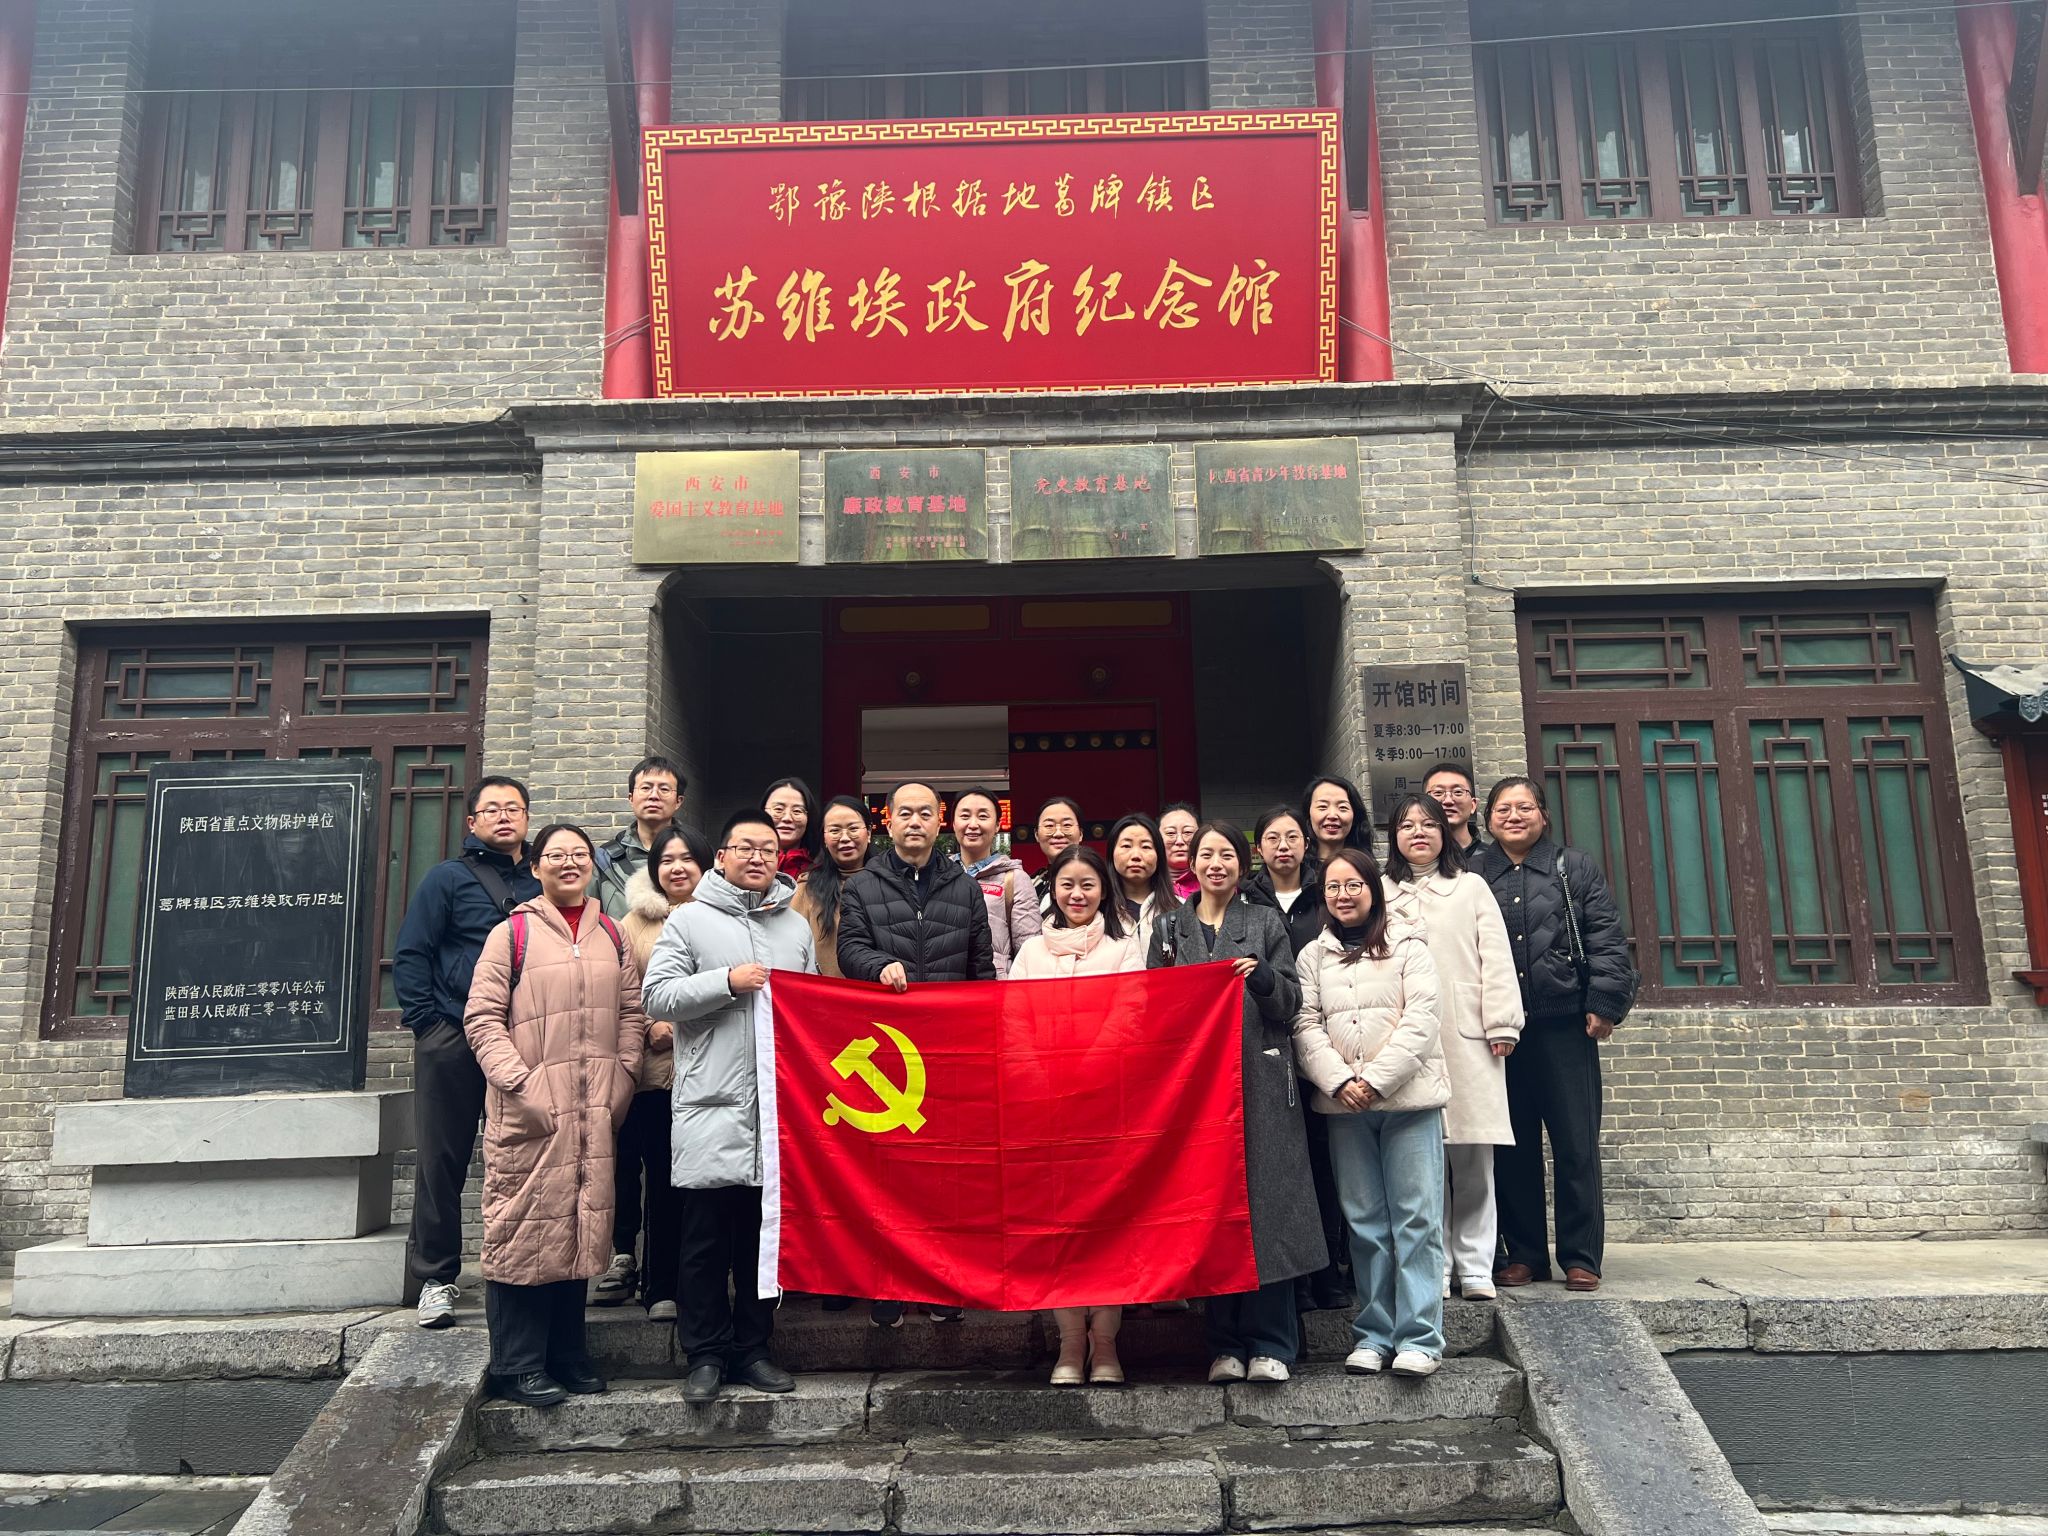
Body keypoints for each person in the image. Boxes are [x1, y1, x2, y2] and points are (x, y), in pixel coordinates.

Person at [462, 823, 646, 1406]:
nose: (570, 863)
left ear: (592, 864)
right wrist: (521, 1083)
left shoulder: (612, 933)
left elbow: (632, 1014)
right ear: (536, 867)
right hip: (531, 1109)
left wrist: (623, 1078)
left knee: (578, 1225)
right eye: (556, 855)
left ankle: (568, 1354)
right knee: (522, 1228)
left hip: (594, 1109)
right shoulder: (511, 934)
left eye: (580, 854)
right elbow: (481, 1019)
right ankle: (517, 1364)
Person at [641, 809, 819, 1403]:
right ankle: (705, 1355)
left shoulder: (794, 927)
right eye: (745, 847)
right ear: (721, 856)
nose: (757, 857)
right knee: (705, 1240)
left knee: (760, 1241)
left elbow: (812, 1006)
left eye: (767, 848)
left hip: (775, 1110)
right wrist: (726, 982)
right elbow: (657, 996)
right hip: (711, 1103)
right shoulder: (689, 920)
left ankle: (754, 1349)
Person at [1147, 821, 1325, 1385]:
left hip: (1261, 1083)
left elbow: (1291, 1001)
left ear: (1242, 864)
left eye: (1226, 854)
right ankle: (1224, 1342)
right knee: (1212, 1210)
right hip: (1197, 1091)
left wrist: (1265, 979)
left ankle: (1273, 1343)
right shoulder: (1169, 927)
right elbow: (1154, 1008)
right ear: (1191, 864)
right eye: (1206, 854)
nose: (1216, 864)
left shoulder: (1264, 922)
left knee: (1269, 1207)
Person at [837, 780, 997, 1327]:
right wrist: (877, 965)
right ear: (887, 820)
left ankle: (941, 1284)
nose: (914, 822)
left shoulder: (965, 888)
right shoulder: (862, 885)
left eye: (924, 813)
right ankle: (889, 1283)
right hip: (886, 1048)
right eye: (904, 813)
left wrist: (981, 1038)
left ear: (939, 821)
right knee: (887, 1172)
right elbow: (849, 950)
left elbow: (981, 969)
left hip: (949, 1048)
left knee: (944, 1171)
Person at [1475, 777, 1636, 1294]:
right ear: (1488, 818)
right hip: (1500, 1032)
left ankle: (1581, 1256)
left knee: (1575, 1144)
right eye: (1503, 808)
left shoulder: (1574, 866)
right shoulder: (1475, 872)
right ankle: (1525, 1255)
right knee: (1513, 1147)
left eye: (1524, 807)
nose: (1513, 816)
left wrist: (1604, 1003)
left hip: (1566, 1025)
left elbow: (1605, 936)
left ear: (1543, 815)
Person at [393, 775, 542, 1329]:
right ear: (473, 821)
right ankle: (436, 1278)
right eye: (492, 809)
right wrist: (429, 1026)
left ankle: (524, 1272)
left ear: (527, 818)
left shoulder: (543, 879)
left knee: (526, 1156)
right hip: (454, 1034)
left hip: (524, 1039)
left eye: (514, 808)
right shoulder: (447, 879)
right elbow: (413, 952)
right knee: (442, 1158)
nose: (504, 817)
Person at [1293, 846, 1448, 1378]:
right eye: (1333, 886)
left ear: (1373, 889)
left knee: (1416, 1219)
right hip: (1345, 1107)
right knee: (1364, 1224)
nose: (1343, 895)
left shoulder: (1409, 945)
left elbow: (1422, 1019)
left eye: (1353, 884)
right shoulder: (1313, 956)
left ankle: (1421, 1338)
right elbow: (1304, 1024)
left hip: (1408, 1102)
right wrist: (1338, 1080)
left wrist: (1376, 1080)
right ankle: (1374, 1334)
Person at [1009, 845, 1146, 1386]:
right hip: (1044, 1109)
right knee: (1057, 1225)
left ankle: (1105, 1342)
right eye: (1067, 884)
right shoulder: (1030, 953)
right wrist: (1041, 1076)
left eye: (1088, 884)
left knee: (1109, 1225)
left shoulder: (1123, 951)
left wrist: (1087, 1072)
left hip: (1108, 1105)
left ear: (1103, 890)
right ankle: (1069, 1341)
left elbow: (1131, 1015)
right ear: (1053, 889)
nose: (1077, 894)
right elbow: (1013, 1020)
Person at [1383, 795, 1523, 1303]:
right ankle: (1434, 1266)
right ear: (1393, 837)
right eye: (1406, 825)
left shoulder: (1470, 887)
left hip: (1467, 1038)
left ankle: (1476, 1265)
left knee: (1473, 1156)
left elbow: (1496, 957)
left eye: (1428, 824)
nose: (1418, 832)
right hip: (1406, 1040)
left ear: (1445, 833)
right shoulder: (1381, 891)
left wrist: (1502, 1022)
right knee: (1422, 1164)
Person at [603, 822, 713, 1318]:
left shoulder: (722, 916)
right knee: (662, 1179)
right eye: (667, 860)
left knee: (704, 1184)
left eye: (688, 858)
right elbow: (623, 992)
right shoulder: (631, 924)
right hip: (656, 1073)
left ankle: (702, 1283)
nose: (678, 868)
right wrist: (652, 1027)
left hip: (711, 1070)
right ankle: (659, 1286)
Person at [1246, 804, 1347, 1313]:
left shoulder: (1326, 892)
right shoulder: (1246, 901)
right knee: (1281, 1167)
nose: (1283, 846)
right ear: (1258, 848)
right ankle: (1295, 1278)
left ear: (1305, 842)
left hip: (1326, 1042)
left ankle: (1330, 1271)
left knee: (1325, 1162)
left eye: (1291, 836)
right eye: (1272, 838)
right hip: (1266, 1049)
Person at [954, 785, 1040, 977]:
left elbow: (1029, 950)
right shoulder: (938, 875)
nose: (973, 824)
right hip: (948, 985)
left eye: (983, 816)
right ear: (953, 823)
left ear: (997, 825)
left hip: (995, 985)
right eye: (965, 816)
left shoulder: (1014, 879)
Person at [791, 795, 874, 981]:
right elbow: (791, 948)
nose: (844, 838)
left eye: (853, 829)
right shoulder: (807, 887)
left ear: (868, 833)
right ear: (824, 838)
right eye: (835, 830)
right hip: (825, 994)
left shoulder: (888, 881)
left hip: (878, 993)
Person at [593, 756, 687, 919]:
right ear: (631, 798)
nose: (654, 795)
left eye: (664, 789)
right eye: (646, 788)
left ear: (678, 801)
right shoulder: (603, 860)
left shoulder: (698, 858)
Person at [1107, 813, 1179, 945]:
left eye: (1146, 847)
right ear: (1111, 853)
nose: (1136, 855)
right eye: (1126, 846)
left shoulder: (1181, 909)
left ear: (1159, 856)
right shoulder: (1098, 908)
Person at [1029, 796, 1085, 915]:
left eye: (1067, 825)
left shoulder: (1100, 879)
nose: (1058, 833)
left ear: (1080, 834)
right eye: (1049, 826)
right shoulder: (1030, 884)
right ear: (1036, 835)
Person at [1304, 775, 1375, 865]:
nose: (1332, 815)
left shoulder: (1366, 868)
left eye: (1342, 807)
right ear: (1308, 814)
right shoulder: (1296, 869)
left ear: (1355, 816)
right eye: (1322, 806)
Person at [764, 777, 822, 880]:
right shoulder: (745, 863)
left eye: (797, 811)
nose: (787, 818)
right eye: (778, 809)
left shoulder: (823, 870)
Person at [1423, 762, 1486, 855]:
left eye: (1458, 792)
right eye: (1438, 792)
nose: (1448, 801)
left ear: (1473, 805)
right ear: (1423, 805)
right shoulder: (1411, 859)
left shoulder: (1492, 858)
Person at [1158, 803, 1201, 902]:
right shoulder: (1145, 885)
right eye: (1170, 833)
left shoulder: (1214, 881)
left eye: (1188, 832)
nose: (1180, 841)